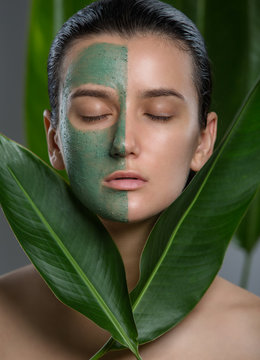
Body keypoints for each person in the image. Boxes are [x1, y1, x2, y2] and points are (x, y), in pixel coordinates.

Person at [1, 0, 260, 359]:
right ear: (54, 139)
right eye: (94, 114)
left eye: (159, 114)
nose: (123, 143)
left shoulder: (252, 334)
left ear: (204, 140)